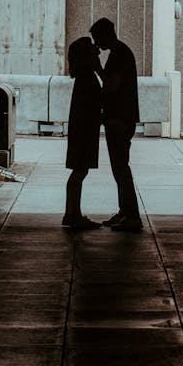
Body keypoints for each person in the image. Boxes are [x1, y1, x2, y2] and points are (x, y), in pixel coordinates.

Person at [90, 17, 143, 232]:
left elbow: (113, 86)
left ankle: (131, 215)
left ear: (105, 35)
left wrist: (97, 69)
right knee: (119, 167)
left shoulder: (119, 55)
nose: (96, 44)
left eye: (96, 38)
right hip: (121, 119)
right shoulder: (120, 53)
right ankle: (125, 211)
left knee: (121, 168)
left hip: (120, 120)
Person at [62, 36, 103, 230]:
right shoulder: (89, 78)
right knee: (80, 170)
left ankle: (71, 213)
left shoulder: (82, 78)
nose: (98, 51)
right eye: (93, 49)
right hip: (85, 129)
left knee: (79, 170)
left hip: (81, 128)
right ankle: (72, 214)